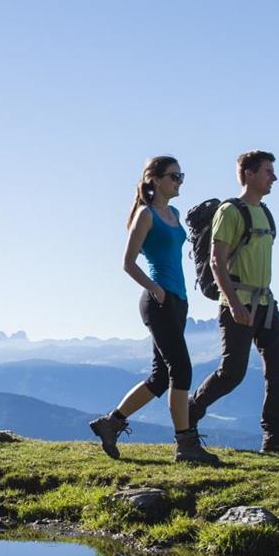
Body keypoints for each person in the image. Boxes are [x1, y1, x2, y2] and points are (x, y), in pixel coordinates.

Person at [89, 156, 219, 464]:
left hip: (178, 301)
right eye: (174, 176)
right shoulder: (145, 215)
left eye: (181, 176)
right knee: (181, 369)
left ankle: (111, 423)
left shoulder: (172, 213)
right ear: (155, 179)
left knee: (161, 377)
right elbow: (127, 262)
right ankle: (185, 445)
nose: (179, 182)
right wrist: (155, 289)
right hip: (158, 301)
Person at [189, 151, 279, 457]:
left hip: (266, 302)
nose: (274, 177)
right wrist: (233, 303)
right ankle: (188, 415)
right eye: (268, 171)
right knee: (232, 372)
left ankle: (275, 438)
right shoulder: (230, 212)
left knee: (278, 371)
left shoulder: (266, 214)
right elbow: (217, 262)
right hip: (238, 303)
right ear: (249, 174)